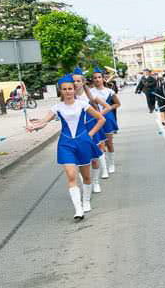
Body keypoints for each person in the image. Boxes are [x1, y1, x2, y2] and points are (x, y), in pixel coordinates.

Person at [26, 75, 105, 219]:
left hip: (83, 143)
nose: (68, 91)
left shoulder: (82, 105)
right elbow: (44, 122)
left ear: (74, 90)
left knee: (86, 177)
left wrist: (91, 134)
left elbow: (101, 119)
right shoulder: (57, 107)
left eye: (70, 88)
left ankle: (86, 200)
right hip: (66, 144)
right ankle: (78, 209)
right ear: (60, 91)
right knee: (71, 175)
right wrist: (33, 127)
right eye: (64, 89)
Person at [90, 69, 121, 174]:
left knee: (109, 143)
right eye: (95, 78)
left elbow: (117, 104)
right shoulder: (90, 92)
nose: (97, 79)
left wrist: (106, 110)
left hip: (107, 118)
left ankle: (111, 163)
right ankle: (104, 167)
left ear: (103, 78)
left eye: (99, 77)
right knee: (99, 144)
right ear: (92, 80)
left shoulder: (109, 91)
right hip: (95, 119)